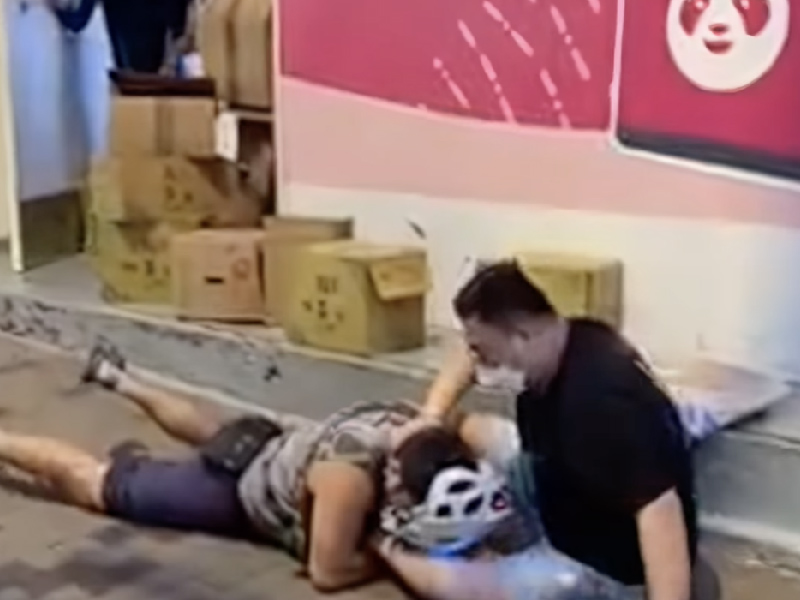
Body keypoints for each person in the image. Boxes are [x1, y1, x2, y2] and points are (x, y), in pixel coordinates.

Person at [0, 344, 507, 592]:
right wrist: (386, 548)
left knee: (215, 434)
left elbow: (467, 351)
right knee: (96, 483)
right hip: (239, 489)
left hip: (280, 444)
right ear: (396, 484)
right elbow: (328, 573)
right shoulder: (349, 480)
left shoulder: (424, 425)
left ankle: (118, 378)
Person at [373, 260, 699, 600]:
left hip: (602, 564)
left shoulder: (602, 402)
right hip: (558, 484)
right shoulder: (570, 335)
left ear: (521, 336)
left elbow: (659, 510)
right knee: (469, 427)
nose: (480, 364)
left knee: (462, 585)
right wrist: (431, 416)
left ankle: (383, 548)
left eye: (486, 353)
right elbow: (467, 351)